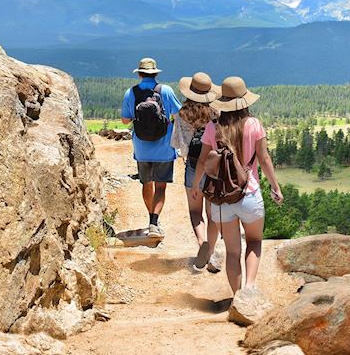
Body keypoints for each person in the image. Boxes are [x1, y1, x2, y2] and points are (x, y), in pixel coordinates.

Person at [191, 76, 283, 294]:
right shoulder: (254, 124)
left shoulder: (213, 128)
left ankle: (236, 297)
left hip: (222, 199)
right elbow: (264, 158)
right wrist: (275, 187)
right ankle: (249, 289)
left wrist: (196, 186)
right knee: (254, 243)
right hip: (249, 194)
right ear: (244, 101)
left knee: (232, 251)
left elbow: (203, 160)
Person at [121, 58, 181, 238]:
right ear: (156, 73)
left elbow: (125, 120)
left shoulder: (131, 92)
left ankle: (151, 218)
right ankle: (154, 222)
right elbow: (178, 114)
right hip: (164, 148)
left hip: (141, 148)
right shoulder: (167, 91)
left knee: (146, 183)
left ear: (139, 74)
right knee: (161, 187)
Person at [172, 72, 222, 272]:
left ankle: (202, 243)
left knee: (195, 211)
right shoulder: (216, 115)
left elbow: (177, 144)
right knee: (213, 215)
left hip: (193, 165)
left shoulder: (182, 114)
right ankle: (211, 253)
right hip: (214, 168)